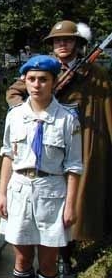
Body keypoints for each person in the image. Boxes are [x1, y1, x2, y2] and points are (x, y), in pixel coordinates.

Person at [6, 20, 112, 275]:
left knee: (75, 198)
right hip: (46, 143)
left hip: (83, 138)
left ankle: (66, 253)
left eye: (67, 40)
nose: (62, 44)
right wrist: (28, 115)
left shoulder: (95, 73)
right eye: (57, 40)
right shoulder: (44, 70)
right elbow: (15, 93)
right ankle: (52, 256)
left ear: (78, 43)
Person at [0, 55, 82, 278]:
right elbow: (7, 155)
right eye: (31, 79)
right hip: (19, 191)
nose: (37, 85)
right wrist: (1, 194)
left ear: (54, 82)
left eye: (43, 79)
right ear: (24, 81)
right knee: (22, 260)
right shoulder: (14, 116)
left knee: (48, 264)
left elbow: (74, 167)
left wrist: (71, 205)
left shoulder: (68, 119)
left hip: (52, 194)